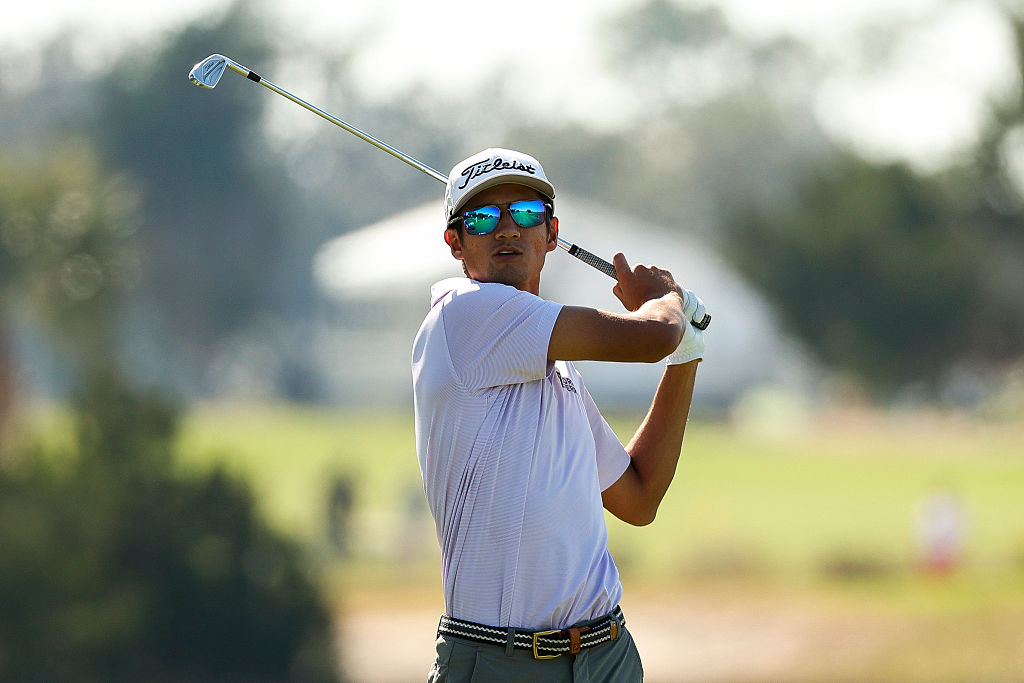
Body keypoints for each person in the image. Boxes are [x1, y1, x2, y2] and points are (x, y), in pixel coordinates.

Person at [412, 148, 707, 682]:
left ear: (551, 232)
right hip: (500, 661)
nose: (506, 229)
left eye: (524, 213)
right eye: (481, 218)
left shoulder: (557, 372)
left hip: (607, 654)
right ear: (455, 244)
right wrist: (666, 303)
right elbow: (652, 336)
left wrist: (686, 355)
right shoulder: (464, 313)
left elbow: (638, 498)